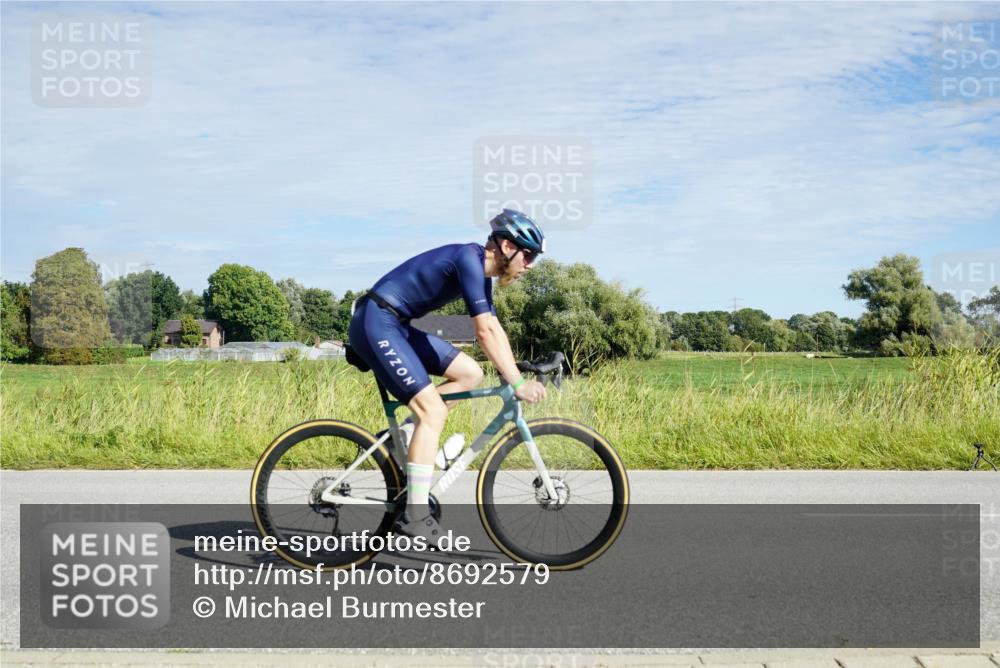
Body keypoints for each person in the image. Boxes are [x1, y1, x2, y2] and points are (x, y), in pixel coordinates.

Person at [348, 209, 548, 547]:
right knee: (433, 412)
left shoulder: (479, 273)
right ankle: (415, 516)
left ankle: (405, 436)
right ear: (506, 246)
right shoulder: (468, 259)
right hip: (376, 321)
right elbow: (483, 332)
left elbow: (493, 327)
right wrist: (516, 383)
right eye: (528, 255)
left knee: (470, 373)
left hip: (395, 324)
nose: (530, 265)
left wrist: (515, 369)